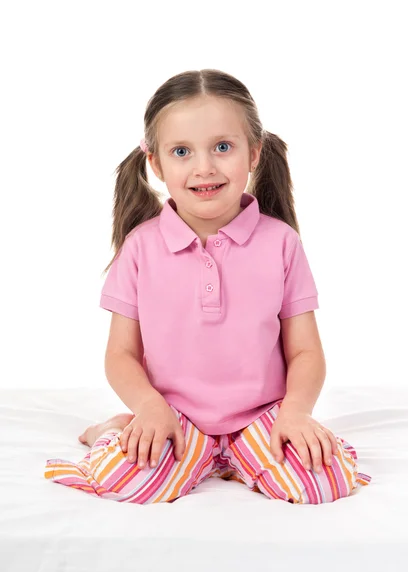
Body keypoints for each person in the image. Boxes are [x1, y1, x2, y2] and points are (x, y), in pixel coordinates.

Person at [44, 69, 372, 504]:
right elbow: (120, 354)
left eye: (222, 147)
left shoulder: (281, 243)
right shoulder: (140, 247)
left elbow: (305, 351)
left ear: (254, 152)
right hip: (172, 416)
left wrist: (295, 413)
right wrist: (149, 406)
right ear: (156, 163)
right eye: (182, 151)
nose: (204, 168)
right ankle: (117, 427)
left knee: (323, 483)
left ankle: (240, 457)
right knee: (125, 483)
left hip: (263, 418)